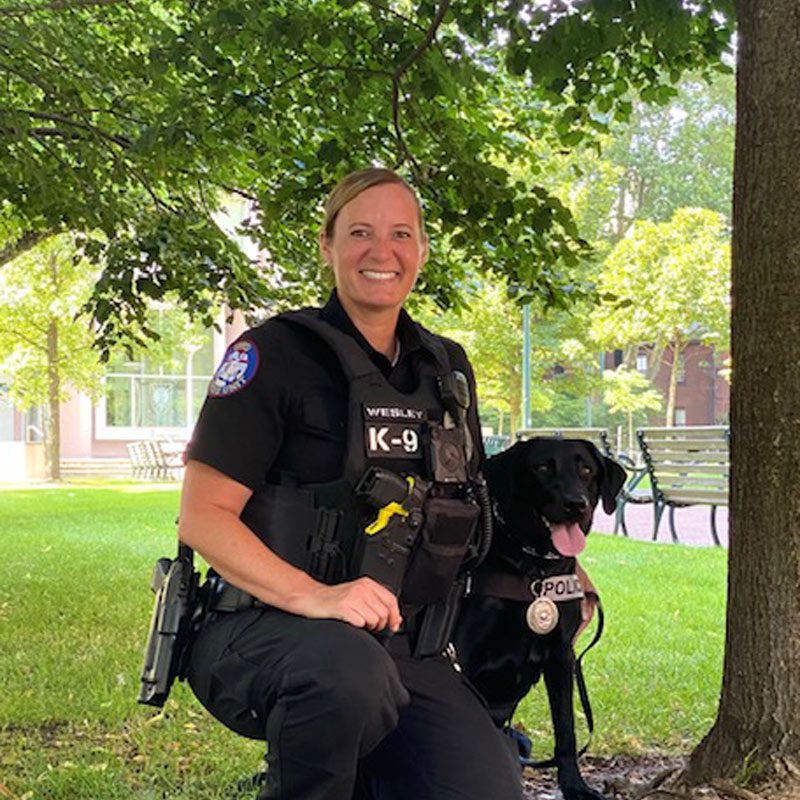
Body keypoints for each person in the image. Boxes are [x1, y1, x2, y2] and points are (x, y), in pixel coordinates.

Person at [179, 167, 526, 800]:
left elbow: (468, 508)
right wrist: (317, 596)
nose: (381, 252)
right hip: (267, 628)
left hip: (406, 647)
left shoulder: (446, 369)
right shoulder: (272, 355)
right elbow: (203, 518)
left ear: (421, 250)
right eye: (360, 232)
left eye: (401, 234)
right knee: (346, 677)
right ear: (328, 245)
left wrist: (555, 574)